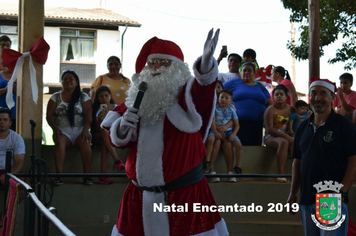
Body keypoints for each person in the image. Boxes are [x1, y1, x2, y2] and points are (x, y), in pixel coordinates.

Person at [101, 29, 229, 236]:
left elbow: (204, 90)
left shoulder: (187, 97)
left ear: (178, 69)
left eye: (164, 62)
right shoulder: (136, 98)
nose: (156, 67)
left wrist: (206, 65)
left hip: (184, 196)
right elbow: (118, 139)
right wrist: (123, 127)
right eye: (152, 63)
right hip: (139, 199)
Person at [287, 76, 356, 236]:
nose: (317, 98)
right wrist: (292, 193)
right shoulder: (303, 127)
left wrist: (341, 192)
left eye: (323, 93)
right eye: (314, 93)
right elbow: (297, 162)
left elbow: (354, 162)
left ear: (332, 96)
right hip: (306, 198)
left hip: (330, 199)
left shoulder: (343, 125)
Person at [46, 70, 93, 186]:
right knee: (60, 141)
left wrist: (85, 130)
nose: (68, 81)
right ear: (62, 82)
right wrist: (55, 129)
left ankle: (87, 176)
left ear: (77, 82)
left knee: (85, 142)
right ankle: (59, 176)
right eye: (65, 79)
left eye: (71, 79)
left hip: (80, 131)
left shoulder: (84, 97)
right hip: (62, 132)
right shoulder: (55, 97)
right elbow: (49, 116)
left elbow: (88, 116)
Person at [224, 62, 272, 146]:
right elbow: (218, 90)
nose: (246, 72)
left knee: (255, 149)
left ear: (254, 74)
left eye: (249, 70)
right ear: (241, 73)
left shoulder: (260, 86)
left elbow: (269, 103)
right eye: (244, 70)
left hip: (257, 124)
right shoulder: (234, 83)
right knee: (239, 148)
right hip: (238, 123)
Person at [91, 86, 125, 185]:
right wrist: (101, 119)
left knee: (105, 143)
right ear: (98, 98)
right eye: (101, 96)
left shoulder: (117, 108)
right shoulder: (97, 110)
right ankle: (117, 160)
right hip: (99, 135)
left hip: (113, 136)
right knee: (105, 133)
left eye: (106, 95)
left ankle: (103, 175)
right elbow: (99, 130)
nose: (104, 98)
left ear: (110, 96)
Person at [206, 89, 242, 183]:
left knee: (229, 144)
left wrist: (228, 131)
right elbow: (211, 122)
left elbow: (235, 124)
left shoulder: (231, 110)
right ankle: (211, 170)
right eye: (222, 97)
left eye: (226, 98)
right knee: (215, 143)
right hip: (215, 132)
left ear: (231, 100)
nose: (223, 99)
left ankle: (231, 171)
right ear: (218, 98)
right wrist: (217, 131)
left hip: (228, 132)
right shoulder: (214, 108)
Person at [264, 85, 294, 183]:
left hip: (288, 135)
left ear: (286, 97)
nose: (279, 96)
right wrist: (286, 137)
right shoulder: (270, 110)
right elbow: (269, 130)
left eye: (281, 94)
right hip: (272, 136)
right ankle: (281, 175)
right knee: (284, 142)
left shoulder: (291, 109)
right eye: (276, 94)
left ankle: (300, 174)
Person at [0, 108, 24, 186]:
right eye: (0, 119)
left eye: (5, 119)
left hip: (9, 171)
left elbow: (19, 162)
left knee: (22, 186)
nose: (2, 122)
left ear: (10, 122)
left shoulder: (17, 138)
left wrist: (9, 175)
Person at [0, 36, 16, 131]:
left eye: (8, 45)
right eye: (2, 45)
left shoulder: (15, 63)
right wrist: (5, 89)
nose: (5, 48)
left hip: (14, 114)